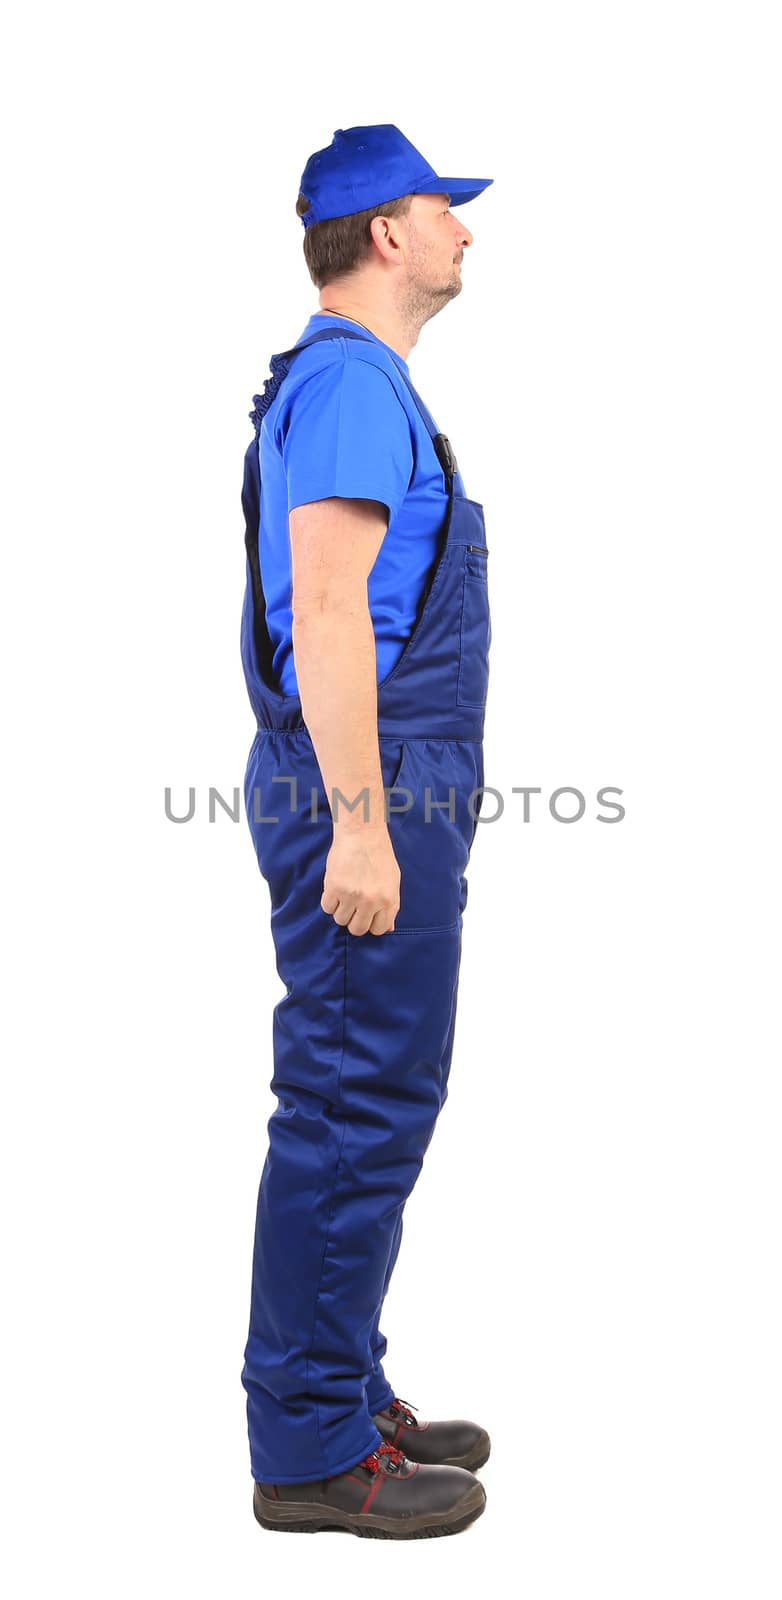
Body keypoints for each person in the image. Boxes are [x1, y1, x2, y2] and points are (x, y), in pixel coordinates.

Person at [239, 124, 493, 1539]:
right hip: (365, 786)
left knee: (370, 1102)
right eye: (441, 212)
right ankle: (309, 1452)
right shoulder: (347, 382)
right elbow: (326, 611)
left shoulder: (356, 384)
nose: (464, 232)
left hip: (386, 777)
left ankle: (339, 1386)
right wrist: (361, 828)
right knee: (349, 1111)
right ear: (384, 236)